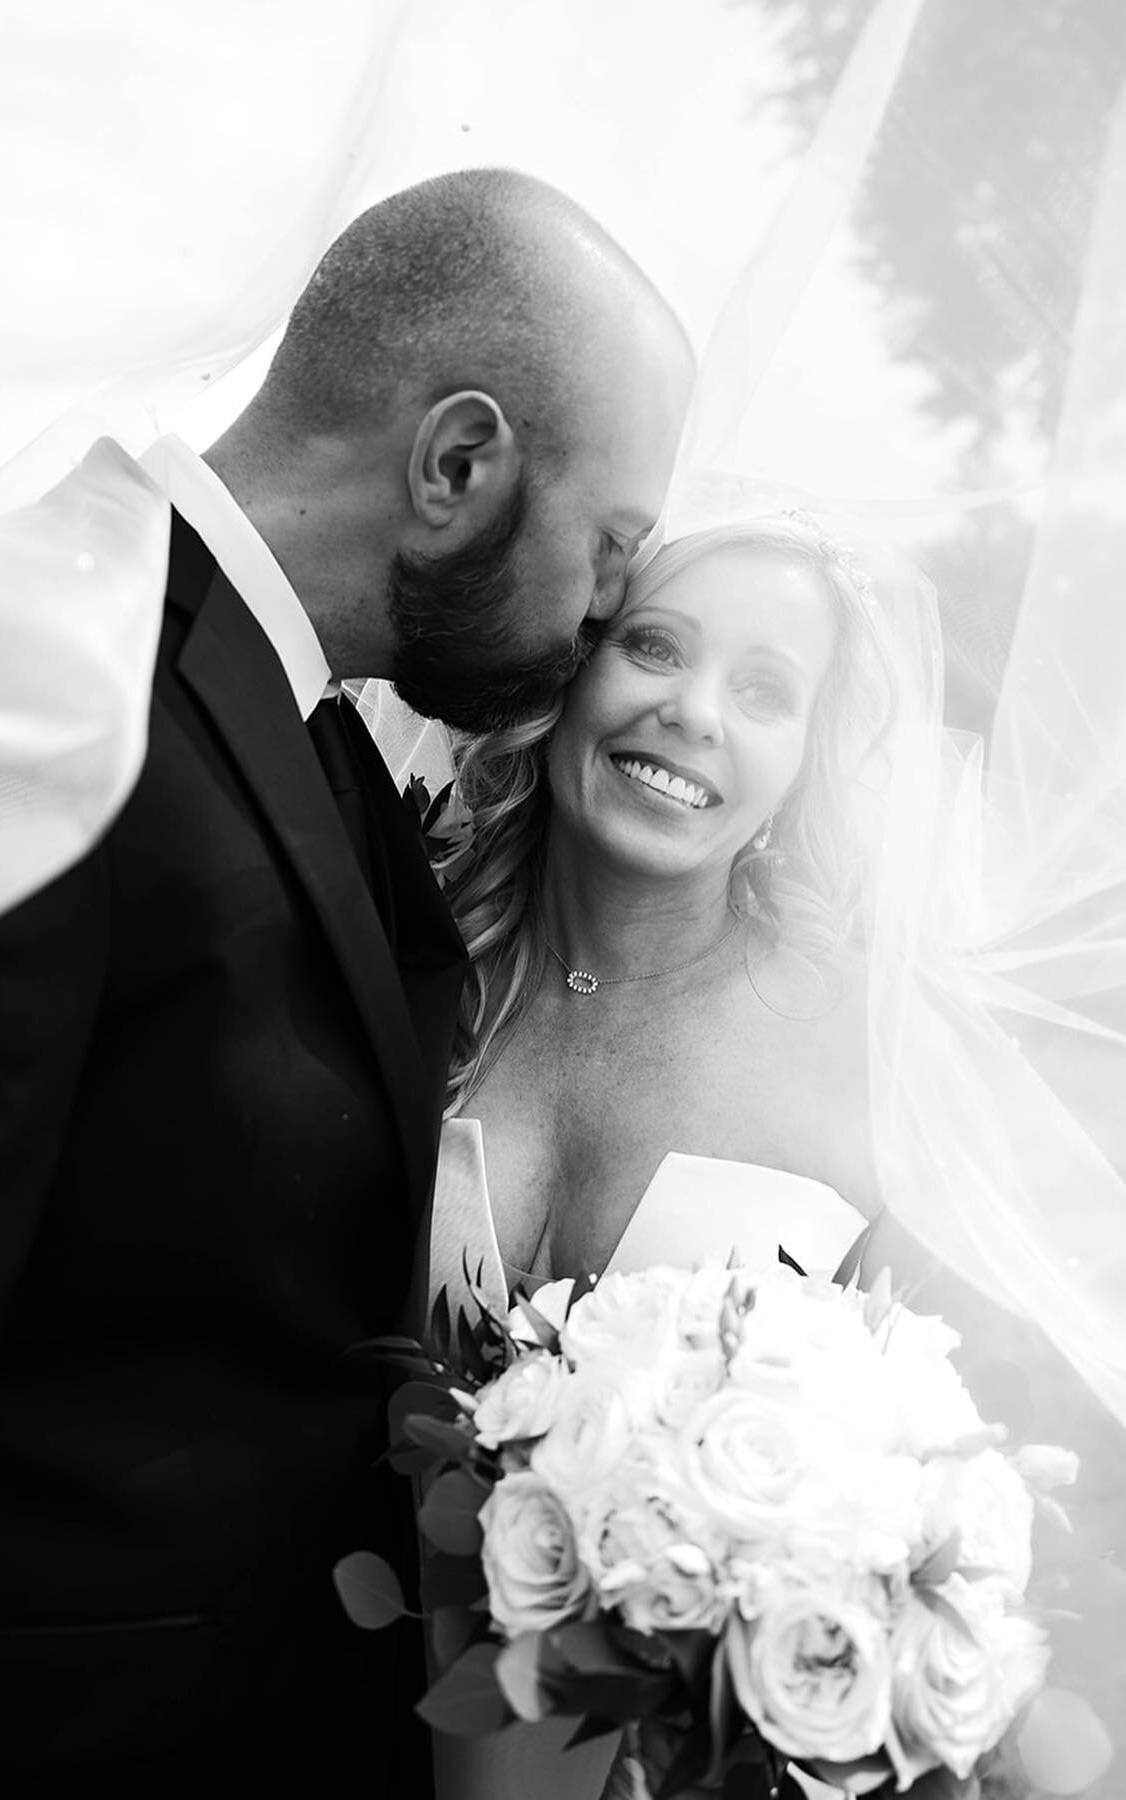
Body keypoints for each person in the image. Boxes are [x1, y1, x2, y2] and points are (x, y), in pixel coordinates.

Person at [0, 166, 692, 1800]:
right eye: (610, 548)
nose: (614, 614)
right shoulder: (53, 670)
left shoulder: (310, 719)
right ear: (460, 462)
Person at [422, 514, 903, 1800]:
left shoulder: (870, 1050)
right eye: (651, 645)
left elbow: (923, 1490)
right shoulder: (400, 965)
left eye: (763, 690)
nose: (693, 711)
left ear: (804, 767)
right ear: (570, 669)